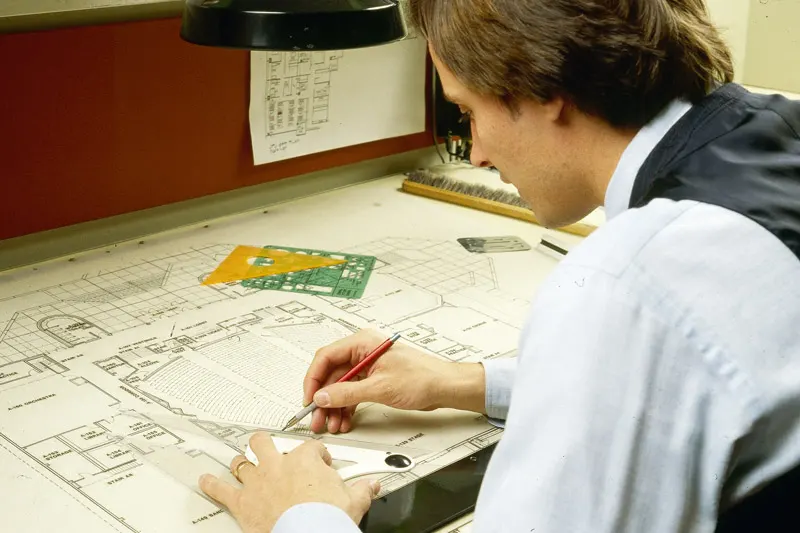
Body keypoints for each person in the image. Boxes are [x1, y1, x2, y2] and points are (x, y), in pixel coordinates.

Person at [197, 0, 800, 531]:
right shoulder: (775, 123)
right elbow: (702, 382)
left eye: (468, 112)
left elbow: (651, 338)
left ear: (543, 90)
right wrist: (465, 381)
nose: (477, 152)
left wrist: (300, 516)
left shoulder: (629, 288)